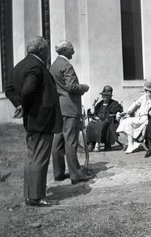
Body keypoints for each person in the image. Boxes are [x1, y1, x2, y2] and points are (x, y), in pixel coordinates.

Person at [5, 36, 63, 207]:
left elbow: (9, 89)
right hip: (41, 119)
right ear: (40, 50)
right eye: (46, 50)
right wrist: (24, 105)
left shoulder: (19, 66)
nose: (47, 53)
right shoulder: (36, 67)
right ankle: (36, 197)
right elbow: (29, 89)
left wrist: (20, 104)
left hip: (32, 119)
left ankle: (29, 195)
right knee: (39, 158)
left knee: (31, 157)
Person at [50, 40, 95, 185]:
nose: (73, 52)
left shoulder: (54, 65)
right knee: (70, 141)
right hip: (69, 107)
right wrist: (84, 87)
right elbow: (72, 86)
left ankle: (58, 173)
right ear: (64, 50)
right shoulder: (66, 65)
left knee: (58, 141)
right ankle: (76, 175)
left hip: (59, 107)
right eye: (71, 49)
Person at [117, 79, 151, 154]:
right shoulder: (144, 96)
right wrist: (128, 112)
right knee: (125, 121)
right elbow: (136, 104)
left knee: (129, 122)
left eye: (149, 90)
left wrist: (149, 99)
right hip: (139, 118)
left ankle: (133, 143)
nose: (148, 92)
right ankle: (131, 143)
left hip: (149, 118)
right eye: (146, 90)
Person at [86, 86, 123, 151]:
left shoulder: (114, 103)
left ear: (110, 96)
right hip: (98, 119)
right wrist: (93, 103)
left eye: (107, 95)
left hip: (109, 120)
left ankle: (97, 145)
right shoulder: (100, 103)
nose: (104, 97)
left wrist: (118, 113)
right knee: (90, 125)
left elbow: (119, 110)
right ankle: (91, 144)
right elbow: (92, 112)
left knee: (101, 125)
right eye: (103, 95)